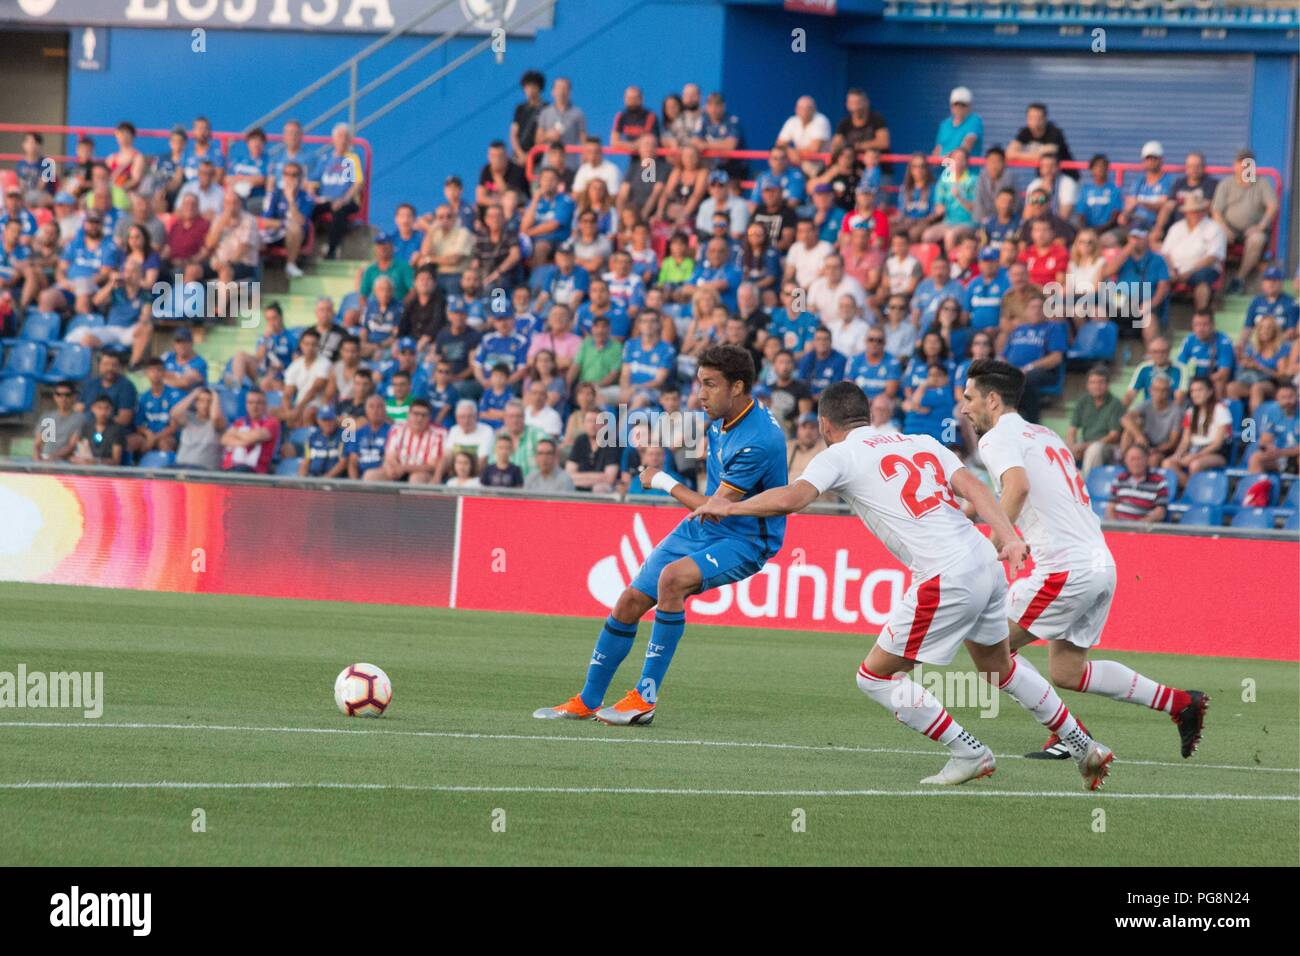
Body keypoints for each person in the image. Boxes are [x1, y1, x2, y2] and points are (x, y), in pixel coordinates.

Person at [693, 381, 1113, 788]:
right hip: (985, 562)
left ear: (824, 426)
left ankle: (968, 752)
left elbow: (793, 498)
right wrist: (1007, 536)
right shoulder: (921, 442)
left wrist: (731, 508)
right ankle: (1083, 745)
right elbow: (978, 488)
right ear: (869, 415)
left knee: (874, 677)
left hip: (945, 574)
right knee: (997, 666)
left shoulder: (838, 455)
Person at [962, 359, 1207, 760]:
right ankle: (1181, 703)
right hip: (1100, 563)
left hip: (1065, 568)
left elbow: (1018, 488)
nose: (964, 407)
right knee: (1067, 671)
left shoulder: (995, 438)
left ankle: (1070, 736)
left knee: (988, 650)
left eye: (969, 397)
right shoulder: (1047, 435)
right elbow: (1032, 491)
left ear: (992, 399)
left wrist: (994, 546)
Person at [534, 344, 787, 726]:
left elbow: (715, 509)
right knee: (629, 601)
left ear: (737, 387)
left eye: (710, 385)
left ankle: (644, 699)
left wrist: (661, 479)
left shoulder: (758, 439)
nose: (700, 394)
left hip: (746, 538)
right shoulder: (723, 416)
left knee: (672, 580)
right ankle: (587, 700)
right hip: (702, 528)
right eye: (699, 383)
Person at [1212, 149, 1279, 293]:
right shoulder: (1226, 184)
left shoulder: (1262, 183)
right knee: (1216, 235)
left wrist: (1260, 226)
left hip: (1253, 230)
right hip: (1229, 228)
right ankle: (1215, 280)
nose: (1244, 167)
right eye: (1241, 163)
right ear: (1234, 165)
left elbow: (1273, 206)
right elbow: (1216, 211)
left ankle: (1239, 279)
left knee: (1257, 239)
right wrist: (1223, 227)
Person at [1067, 366, 1125, 476]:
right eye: (1092, 382)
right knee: (1060, 444)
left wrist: (1086, 446)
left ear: (1107, 385)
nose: (1096, 386)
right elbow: (1072, 430)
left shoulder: (1115, 403)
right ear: (1087, 385)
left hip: (1108, 447)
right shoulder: (1083, 401)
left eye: (1100, 382)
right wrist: (1072, 447)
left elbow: (1114, 436)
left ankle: (1086, 483)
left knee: (1094, 449)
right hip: (1085, 443)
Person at [1105, 444, 1170, 524]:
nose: (1136, 462)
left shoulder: (1159, 482)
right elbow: (1110, 507)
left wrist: (1139, 526)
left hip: (1142, 530)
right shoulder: (1119, 479)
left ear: (1146, 459)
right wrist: (1114, 525)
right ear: (1126, 461)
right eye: (1132, 459)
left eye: (1139, 459)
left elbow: (1160, 512)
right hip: (1118, 528)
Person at [220, 389, 280, 473]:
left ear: (265, 405)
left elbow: (254, 438)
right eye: (250, 403)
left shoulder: (271, 423)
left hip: (253, 472)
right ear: (246, 405)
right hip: (229, 468)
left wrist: (235, 433)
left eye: (258, 403)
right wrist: (243, 442)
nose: (254, 406)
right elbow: (224, 439)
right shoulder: (239, 422)